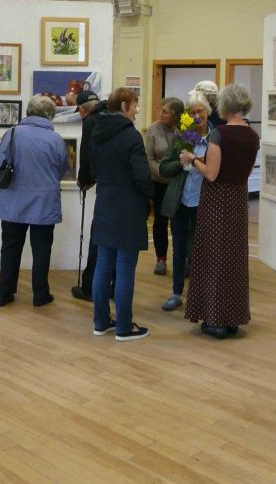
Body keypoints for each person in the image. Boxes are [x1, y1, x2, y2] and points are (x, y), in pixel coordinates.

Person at [180, 84, 259, 338]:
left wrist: (193, 160)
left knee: (213, 258)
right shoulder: (253, 135)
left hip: (216, 201)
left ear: (223, 106)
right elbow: (246, 171)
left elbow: (212, 174)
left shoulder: (219, 134)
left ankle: (215, 319)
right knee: (234, 260)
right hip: (238, 200)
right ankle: (233, 318)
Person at [90, 87, 154, 341]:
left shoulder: (97, 132)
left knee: (103, 266)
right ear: (125, 106)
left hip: (104, 204)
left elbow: (92, 168)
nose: (137, 111)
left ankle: (100, 322)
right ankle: (124, 327)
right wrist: (151, 196)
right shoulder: (131, 136)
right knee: (125, 268)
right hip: (128, 209)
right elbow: (142, 175)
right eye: (135, 105)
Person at [0, 95, 69, 308]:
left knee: (10, 248)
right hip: (44, 203)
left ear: (28, 111)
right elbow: (62, 169)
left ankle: (4, 293)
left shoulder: (12, 134)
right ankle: (40, 294)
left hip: (13, 202)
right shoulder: (55, 139)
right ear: (50, 115)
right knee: (42, 250)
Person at [157, 92, 212, 312]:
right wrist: (180, 163)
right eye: (192, 112)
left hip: (204, 202)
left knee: (201, 251)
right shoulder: (184, 136)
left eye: (200, 111)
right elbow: (164, 168)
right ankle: (176, 292)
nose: (197, 116)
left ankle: (200, 295)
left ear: (208, 112)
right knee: (179, 249)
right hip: (181, 202)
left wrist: (195, 161)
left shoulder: (216, 138)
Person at [70, 90, 108, 301]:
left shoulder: (91, 122)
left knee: (97, 238)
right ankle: (111, 285)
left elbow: (86, 154)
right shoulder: (114, 116)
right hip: (123, 190)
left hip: (106, 188)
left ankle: (89, 287)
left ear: (83, 110)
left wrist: (85, 180)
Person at [144, 97, 184, 276]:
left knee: (179, 223)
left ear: (176, 114)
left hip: (178, 183)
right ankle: (161, 259)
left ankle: (181, 259)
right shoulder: (153, 130)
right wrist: (163, 171)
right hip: (159, 183)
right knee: (160, 222)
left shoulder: (185, 130)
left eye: (165, 112)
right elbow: (149, 159)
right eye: (161, 110)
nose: (161, 114)